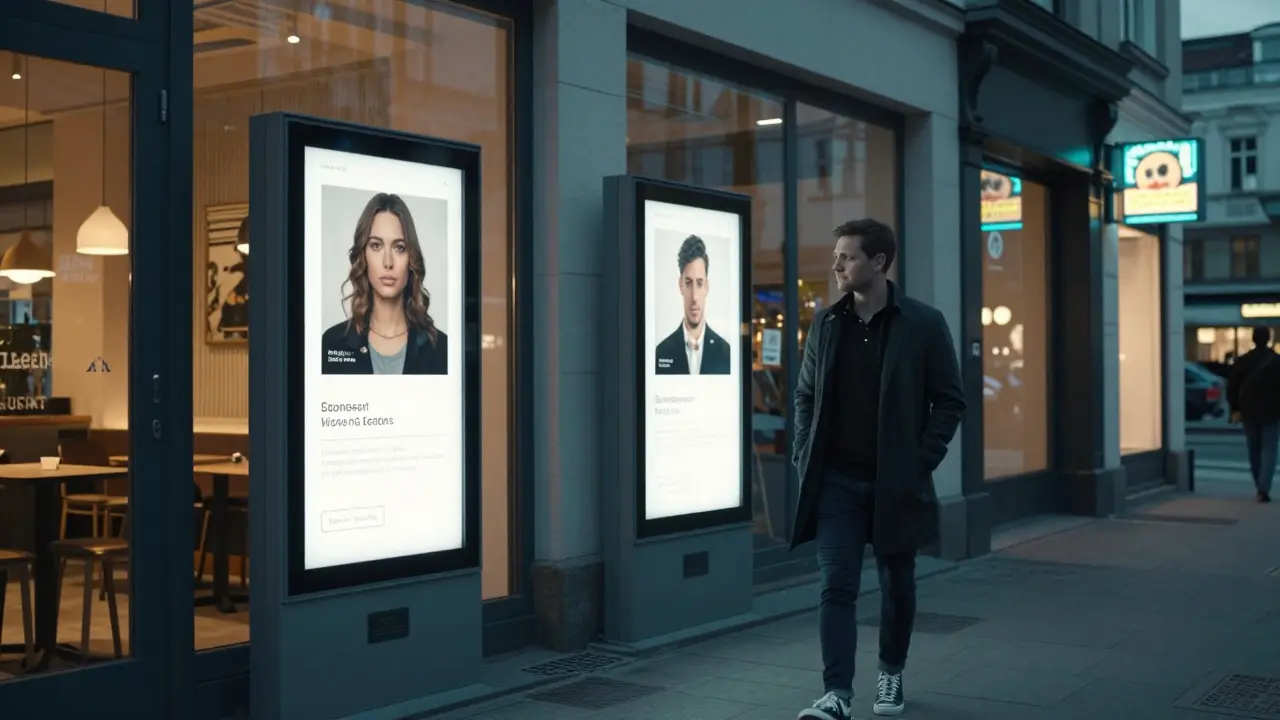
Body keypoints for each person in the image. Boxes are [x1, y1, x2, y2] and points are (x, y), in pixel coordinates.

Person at [791, 219, 966, 720]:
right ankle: (837, 695)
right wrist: (806, 454)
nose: (836, 264)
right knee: (836, 587)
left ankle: (890, 674)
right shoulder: (826, 324)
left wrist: (917, 463)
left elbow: (950, 401)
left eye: (847, 256)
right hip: (837, 484)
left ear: (879, 263)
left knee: (897, 582)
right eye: (837, 254)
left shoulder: (923, 323)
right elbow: (805, 395)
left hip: (895, 482)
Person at [320, 192, 447, 375]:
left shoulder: (441, 349)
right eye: (376, 246)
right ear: (363, 255)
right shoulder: (332, 343)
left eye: (399, 248)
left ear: (411, 258)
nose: (388, 262)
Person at [654, 234, 730, 375]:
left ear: (707, 287)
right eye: (688, 283)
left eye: (699, 283)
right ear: (680, 285)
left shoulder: (726, 353)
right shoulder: (661, 352)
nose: (694, 297)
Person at [1227, 327, 1279, 503]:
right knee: (1270, 450)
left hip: (1249, 411)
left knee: (1253, 449)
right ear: (1269, 339)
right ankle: (1264, 488)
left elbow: (1232, 387)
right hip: (1272, 411)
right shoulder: (1276, 361)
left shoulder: (1242, 361)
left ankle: (1259, 484)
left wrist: (1235, 408)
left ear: (1253, 339)